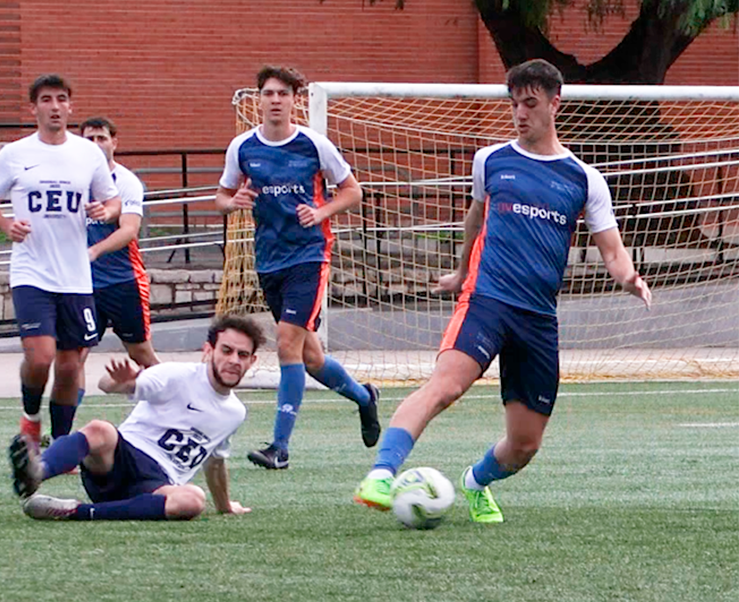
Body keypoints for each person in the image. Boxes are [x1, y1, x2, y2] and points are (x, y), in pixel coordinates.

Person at [354, 59, 652, 522]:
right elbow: (475, 221)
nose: (519, 113)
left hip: (537, 319)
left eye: (530, 103)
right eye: (514, 104)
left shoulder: (584, 179)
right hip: (487, 299)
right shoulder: (491, 160)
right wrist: (458, 273)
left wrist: (629, 277)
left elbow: (612, 252)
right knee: (444, 387)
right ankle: (382, 473)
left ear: (555, 103)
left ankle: (476, 481)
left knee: (525, 444)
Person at [215, 65, 380, 470]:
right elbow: (221, 195)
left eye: (282, 94)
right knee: (310, 358)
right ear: (259, 98)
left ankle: (279, 447)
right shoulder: (242, 147)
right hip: (268, 258)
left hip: (309, 254)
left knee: (286, 342)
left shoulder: (314, 145)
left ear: (295, 101)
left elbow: (352, 191)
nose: (275, 100)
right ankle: (364, 397)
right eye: (268, 93)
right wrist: (232, 202)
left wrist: (321, 211)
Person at [0, 74, 121, 447]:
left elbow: (113, 201)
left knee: (70, 366)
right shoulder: (15, 154)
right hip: (31, 272)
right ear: (34, 108)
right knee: (41, 357)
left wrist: (103, 211)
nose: (54, 106)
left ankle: (60, 442)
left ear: (70, 106)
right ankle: (30, 417)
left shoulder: (87, 153)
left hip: (74, 276)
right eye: (46, 100)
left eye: (61, 99)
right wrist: (6, 225)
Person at [7, 315, 265, 521]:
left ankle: (74, 511)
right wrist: (120, 381)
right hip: (119, 459)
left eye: (242, 355)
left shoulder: (235, 412)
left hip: (156, 486)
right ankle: (37, 471)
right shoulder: (174, 375)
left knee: (193, 499)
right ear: (208, 350)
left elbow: (215, 462)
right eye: (227, 350)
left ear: (252, 361)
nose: (233, 360)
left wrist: (225, 506)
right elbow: (108, 385)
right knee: (101, 429)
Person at [74, 116, 159, 414]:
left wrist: (94, 251)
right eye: (89, 139)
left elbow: (129, 229)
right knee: (75, 354)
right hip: (82, 285)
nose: (95, 145)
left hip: (123, 282)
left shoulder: (125, 182)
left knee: (140, 353)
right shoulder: (73, 180)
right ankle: (63, 426)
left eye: (101, 138)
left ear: (114, 143)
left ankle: (173, 405)